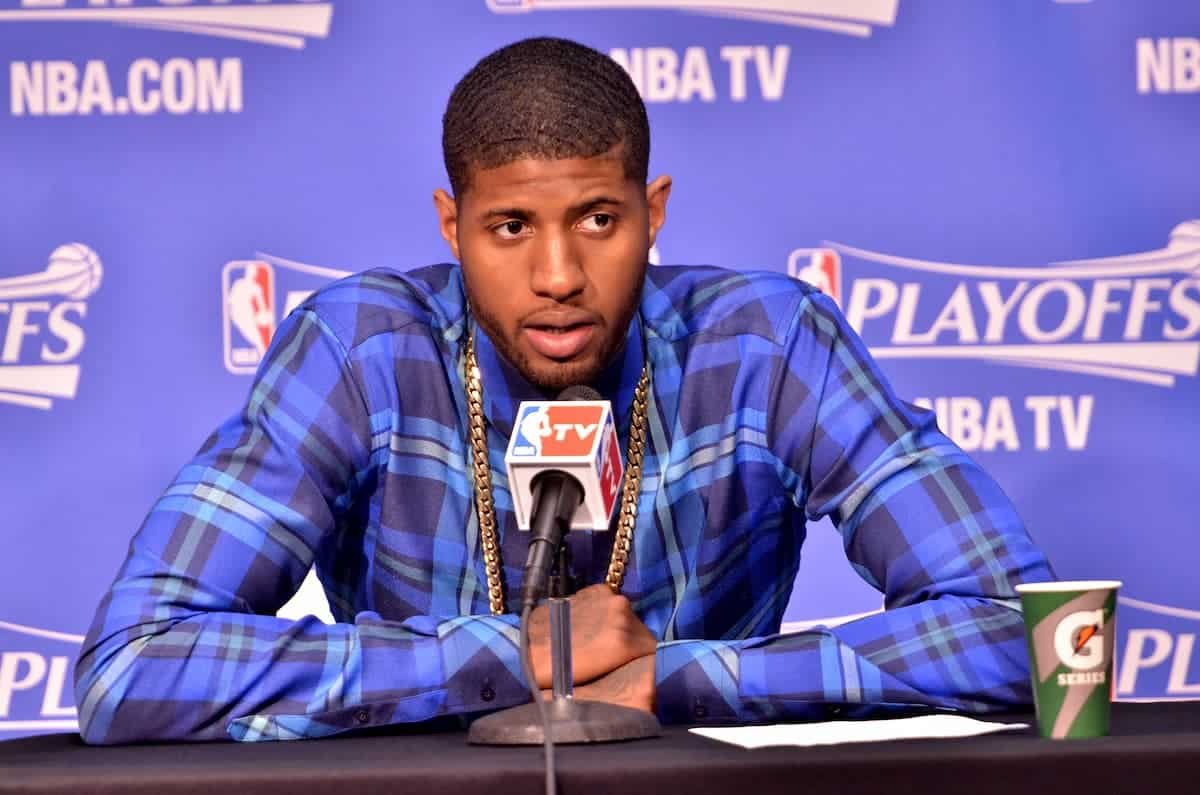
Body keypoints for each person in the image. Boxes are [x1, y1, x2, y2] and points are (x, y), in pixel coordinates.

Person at [74, 37, 1053, 744]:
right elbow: (133, 664)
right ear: (452, 226)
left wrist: (680, 677)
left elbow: (1028, 634)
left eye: (597, 219)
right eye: (510, 228)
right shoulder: (361, 352)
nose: (557, 277)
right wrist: (504, 655)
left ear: (652, 212)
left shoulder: (768, 344)